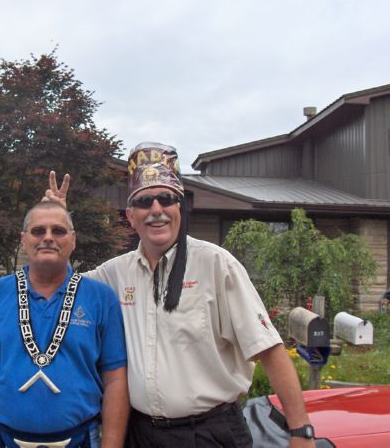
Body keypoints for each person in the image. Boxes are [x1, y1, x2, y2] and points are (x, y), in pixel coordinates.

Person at [45, 142, 316, 448]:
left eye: (166, 198)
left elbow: (268, 348)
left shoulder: (216, 264)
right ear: (131, 217)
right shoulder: (115, 274)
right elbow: (61, 289)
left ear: (180, 208)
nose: (156, 209)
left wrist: (300, 431)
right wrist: (57, 224)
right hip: (140, 434)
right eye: (145, 201)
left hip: (207, 434)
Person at [0, 201, 129, 448]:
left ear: (73, 240)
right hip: (3, 439)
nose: (48, 238)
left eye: (58, 231)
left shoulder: (101, 298)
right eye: (38, 231)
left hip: (82, 439)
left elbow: (115, 379)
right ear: (23, 239)